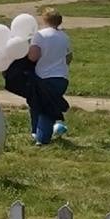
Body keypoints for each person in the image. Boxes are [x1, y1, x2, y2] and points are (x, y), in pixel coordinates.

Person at [33, 7, 72, 140]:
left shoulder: (39, 35)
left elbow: (33, 56)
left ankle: (41, 138)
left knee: (45, 109)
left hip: (43, 78)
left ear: (45, 20)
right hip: (61, 78)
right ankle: (40, 132)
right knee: (49, 105)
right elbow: (69, 57)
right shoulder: (65, 37)